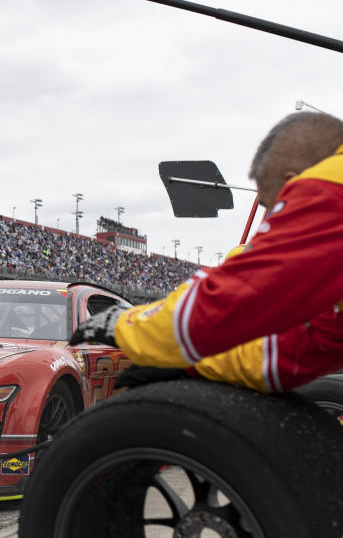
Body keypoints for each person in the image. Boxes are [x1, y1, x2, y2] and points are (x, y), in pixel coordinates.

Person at [71, 111, 343, 392]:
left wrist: (124, 325)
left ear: (295, 181)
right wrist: (197, 366)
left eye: (276, 206)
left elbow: (238, 297)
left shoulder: (331, 187)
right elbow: (307, 349)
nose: (272, 219)